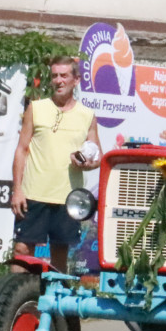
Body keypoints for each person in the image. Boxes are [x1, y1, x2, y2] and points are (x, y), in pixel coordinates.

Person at [11, 56, 101, 272]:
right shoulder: (37, 108)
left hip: (68, 199)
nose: (59, 81)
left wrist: (86, 163)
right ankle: (16, 301)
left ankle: (50, 304)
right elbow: (21, 150)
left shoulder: (87, 115)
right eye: (54, 76)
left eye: (64, 76)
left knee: (59, 255)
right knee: (22, 250)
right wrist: (17, 190)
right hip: (33, 194)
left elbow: (97, 156)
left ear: (76, 80)